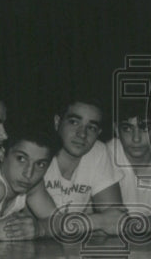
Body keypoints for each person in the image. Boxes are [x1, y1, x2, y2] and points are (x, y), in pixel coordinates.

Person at [44, 97, 126, 234]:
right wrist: (98, 221)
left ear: (98, 133)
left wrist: (101, 222)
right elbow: (38, 225)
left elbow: (116, 220)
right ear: (57, 122)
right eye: (74, 122)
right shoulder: (39, 151)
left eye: (91, 127)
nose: (82, 134)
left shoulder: (97, 151)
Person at [106, 97, 151, 235]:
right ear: (116, 129)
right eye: (127, 128)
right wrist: (149, 223)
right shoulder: (105, 155)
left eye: (144, 127)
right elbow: (106, 222)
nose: (136, 138)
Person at [0, 128, 59, 241]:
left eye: (40, 164)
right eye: (21, 159)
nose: (28, 174)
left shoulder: (33, 185)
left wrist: (40, 229)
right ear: (2, 153)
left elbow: (59, 222)